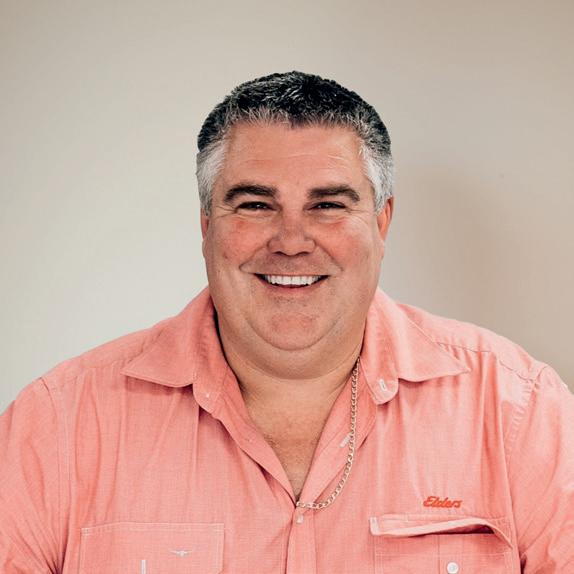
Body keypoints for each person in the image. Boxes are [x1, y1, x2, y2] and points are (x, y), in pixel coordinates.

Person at [0, 71, 572, 574]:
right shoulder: (57, 426)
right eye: (255, 204)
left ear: (382, 222)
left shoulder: (520, 414)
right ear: (207, 224)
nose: (292, 241)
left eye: (328, 205)